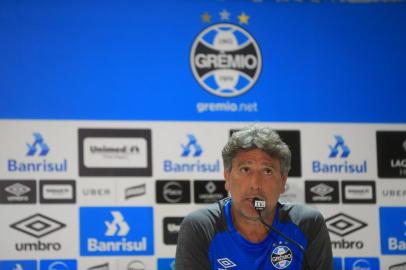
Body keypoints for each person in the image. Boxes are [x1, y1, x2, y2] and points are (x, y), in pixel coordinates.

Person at [175, 125, 333, 270]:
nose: (255, 184)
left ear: (283, 182)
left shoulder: (307, 224)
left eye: (267, 171)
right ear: (227, 177)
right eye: (245, 169)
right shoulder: (201, 227)